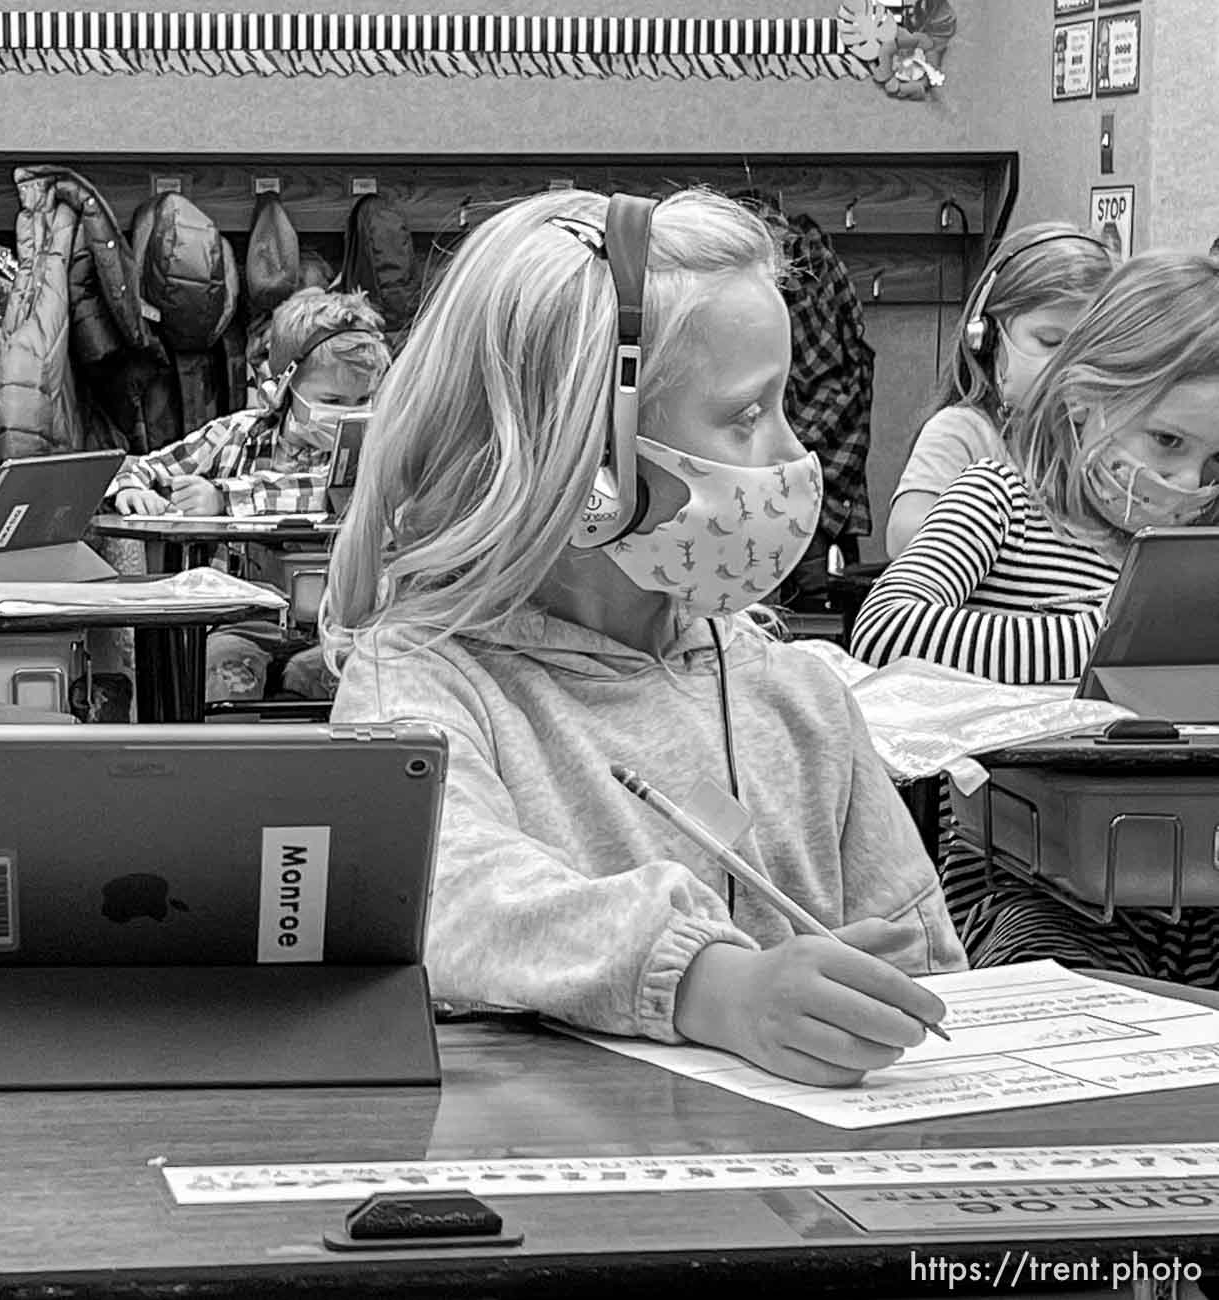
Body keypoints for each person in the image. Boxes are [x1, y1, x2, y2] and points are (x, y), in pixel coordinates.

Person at [324, 188, 965, 1088]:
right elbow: (452, 894)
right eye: (748, 415)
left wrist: (878, 1006)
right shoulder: (423, 686)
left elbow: (927, 977)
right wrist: (716, 985)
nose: (792, 453)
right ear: (593, 468)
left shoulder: (801, 699)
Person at [849, 251, 1219, 976]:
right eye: (1167, 442)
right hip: (1027, 883)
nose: (1186, 482)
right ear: (1085, 397)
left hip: (1196, 887)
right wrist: (1107, 640)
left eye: (1215, 463)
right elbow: (886, 628)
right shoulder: (1002, 498)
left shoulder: (1199, 542)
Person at [885, 224, 1112, 557]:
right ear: (986, 337)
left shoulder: (1102, 442)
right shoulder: (963, 432)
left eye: (1091, 346)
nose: (1069, 362)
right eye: (1050, 340)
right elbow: (902, 538)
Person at [107, 287, 388, 518]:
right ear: (279, 388)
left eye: (363, 399)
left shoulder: (374, 451)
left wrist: (222, 498)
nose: (350, 412)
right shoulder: (232, 435)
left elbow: (331, 493)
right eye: (332, 400)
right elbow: (144, 467)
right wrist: (131, 490)